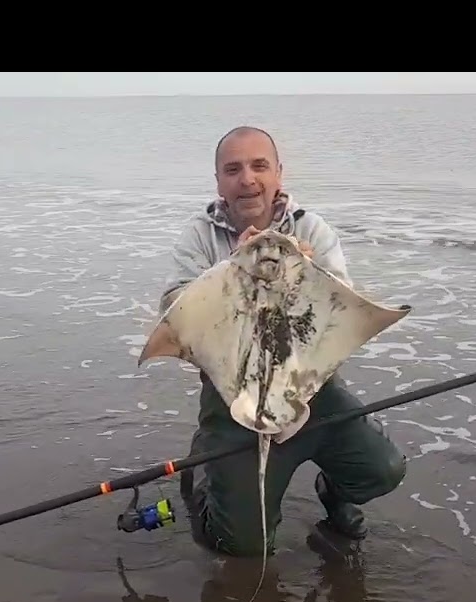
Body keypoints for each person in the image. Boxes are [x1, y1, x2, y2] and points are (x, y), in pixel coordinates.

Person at [158, 125, 408, 558]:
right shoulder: (199, 235)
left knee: (382, 470)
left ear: (278, 173)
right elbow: (174, 309)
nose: (247, 179)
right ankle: (204, 478)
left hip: (308, 385)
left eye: (259, 166)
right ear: (218, 181)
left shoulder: (312, 229)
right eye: (233, 169)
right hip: (233, 394)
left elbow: (343, 312)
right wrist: (233, 272)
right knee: (242, 546)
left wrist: (306, 278)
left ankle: (336, 492)